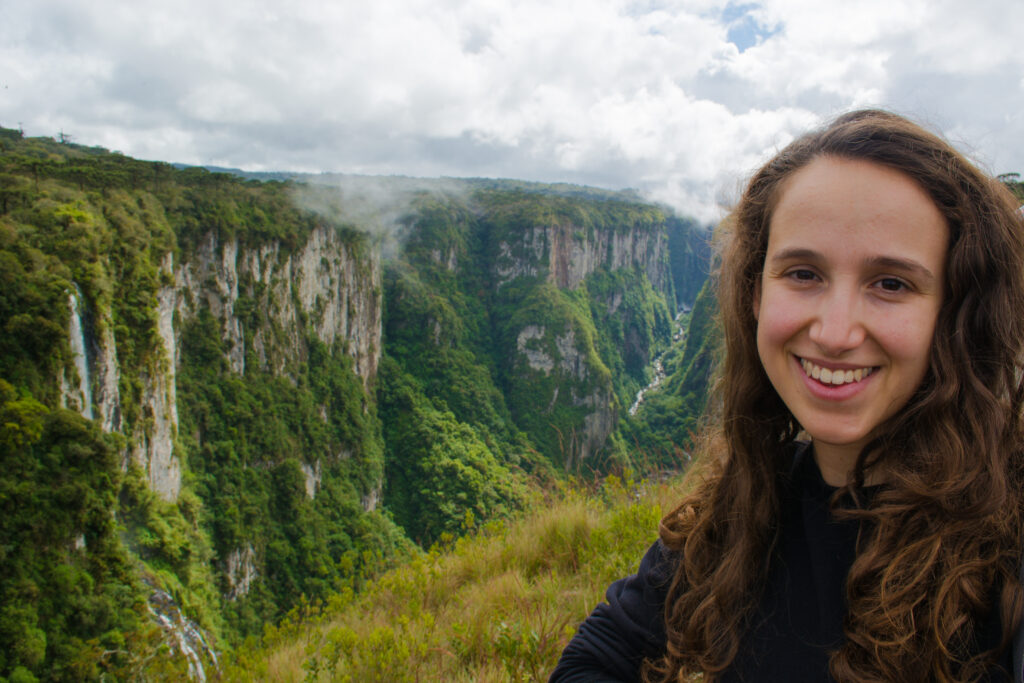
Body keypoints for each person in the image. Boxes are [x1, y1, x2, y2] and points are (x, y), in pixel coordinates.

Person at [550, 109, 1024, 683]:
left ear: (957, 311)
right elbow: (600, 656)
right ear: (755, 294)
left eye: (891, 283)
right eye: (803, 273)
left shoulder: (1007, 549)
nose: (834, 331)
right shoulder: (743, 510)